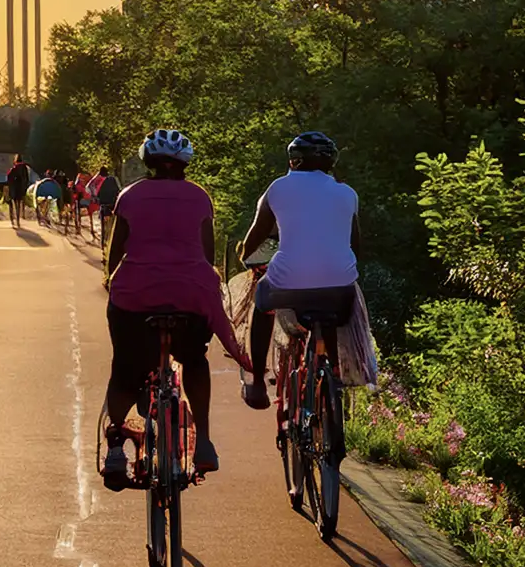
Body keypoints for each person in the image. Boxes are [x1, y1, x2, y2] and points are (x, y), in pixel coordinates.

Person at [102, 129, 251, 491]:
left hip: (136, 296)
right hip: (190, 296)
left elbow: (114, 254)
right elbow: (206, 254)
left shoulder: (130, 196)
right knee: (195, 359)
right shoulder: (200, 198)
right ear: (185, 164)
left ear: (148, 163)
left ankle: (116, 449)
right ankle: (203, 442)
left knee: (124, 368)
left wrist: (111, 280)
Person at [238, 130, 360, 410]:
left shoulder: (278, 188)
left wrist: (245, 258)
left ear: (293, 161)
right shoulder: (347, 193)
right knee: (330, 306)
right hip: (340, 290)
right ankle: (335, 375)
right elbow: (355, 245)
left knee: (262, 304)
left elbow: (255, 236)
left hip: (287, 285)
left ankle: (257, 382)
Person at [93, 165, 122, 257]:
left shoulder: (100, 182)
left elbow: (93, 191)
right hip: (113, 208)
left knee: (103, 228)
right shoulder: (113, 180)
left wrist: (96, 198)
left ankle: (103, 247)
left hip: (104, 207)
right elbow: (119, 191)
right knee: (114, 228)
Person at [6, 153, 31, 228]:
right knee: (18, 204)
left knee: (11, 203)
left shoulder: (14, 168)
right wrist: (25, 187)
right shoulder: (24, 168)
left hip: (13, 188)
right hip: (20, 188)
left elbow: (9, 177)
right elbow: (26, 179)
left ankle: (12, 219)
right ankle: (18, 220)